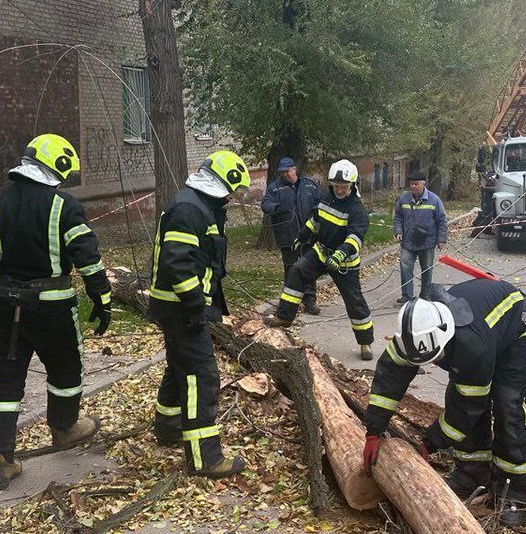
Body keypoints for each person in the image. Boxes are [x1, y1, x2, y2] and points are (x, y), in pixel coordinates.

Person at [0, 134, 111, 491]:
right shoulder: (65, 205)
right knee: (66, 370)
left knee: (6, 376)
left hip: (4, 302)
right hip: (52, 306)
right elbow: (87, 256)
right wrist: (101, 297)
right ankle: (64, 428)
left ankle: (2, 456)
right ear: (57, 166)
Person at [360, 279, 526, 528]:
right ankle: (472, 475)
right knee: (463, 394)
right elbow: (388, 381)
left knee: (506, 405)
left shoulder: (470, 346)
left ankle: (515, 491)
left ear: (445, 336)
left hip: (517, 335)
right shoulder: (414, 332)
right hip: (484, 334)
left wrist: (428, 444)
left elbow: (465, 412)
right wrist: (374, 431)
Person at [149, 150, 251, 477]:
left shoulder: (198, 205)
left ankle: (167, 426)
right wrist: (195, 306)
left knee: (179, 366)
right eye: (232, 192)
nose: (233, 199)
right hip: (182, 308)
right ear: (222, 183)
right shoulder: (189, 210)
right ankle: (204, 457)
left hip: (179, 307)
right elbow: (177, 264)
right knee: (201, 377)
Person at [266, 159, 375, 360]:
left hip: (344, 262)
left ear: (352, 185)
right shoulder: (327, 197)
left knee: (354, 301)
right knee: (297, 270)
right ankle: (284, 316)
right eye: (336, 186)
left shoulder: (356, 209)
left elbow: (355, 237)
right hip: (322, 251)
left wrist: (341, 253)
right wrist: (302, 235)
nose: (340, 190)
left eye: (344, 186)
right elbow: (316, 220)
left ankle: (365, 342)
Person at [261, 157, 323, 315]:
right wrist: (275, 207)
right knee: (290, 271)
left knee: (309, 269)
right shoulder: (275, 188)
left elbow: (321, 203)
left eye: (287, 171)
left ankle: (310, 301)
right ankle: (290, 306)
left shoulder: (309, 184)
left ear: (294, 169)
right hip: (287, 237)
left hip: (308, 236)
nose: (285, 175)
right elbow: (265, 204)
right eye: (282, 172)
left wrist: (317, 212)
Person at [394, 171, 448, 305]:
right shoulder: (404, 199)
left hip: (427, 242)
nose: (413, 187)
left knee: (427, 269)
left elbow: (442, 220)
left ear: (423, 184)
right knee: (405, 267)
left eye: (416, 184)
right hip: (408, 242)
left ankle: (424, 296)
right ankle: (407, 297)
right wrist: (398, 231)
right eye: (411, 184)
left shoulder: (434, 200)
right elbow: (398, 217)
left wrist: (441, 239)